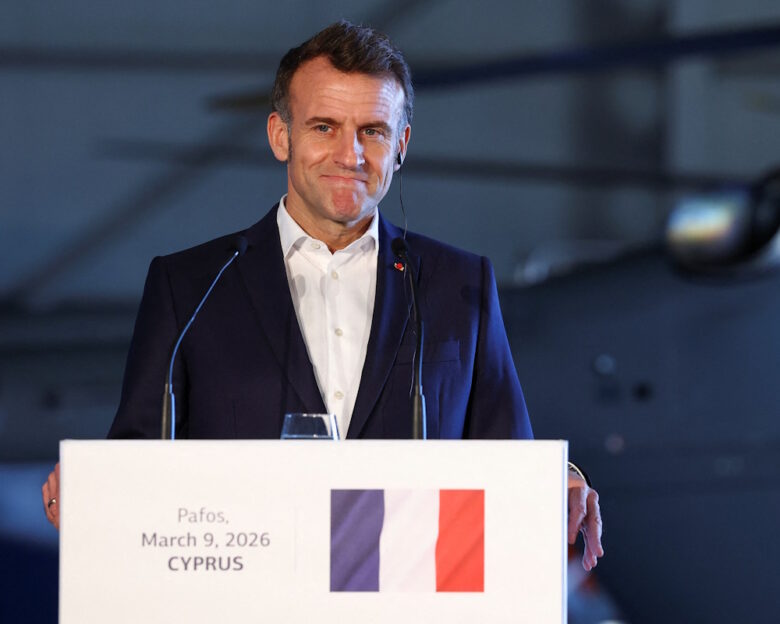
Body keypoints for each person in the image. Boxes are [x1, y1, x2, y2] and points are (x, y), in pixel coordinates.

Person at [42, 20, 603, 570]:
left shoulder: (460, 284)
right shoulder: (189, 287)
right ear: (280, 136)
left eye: (373, 131)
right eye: (324, 127)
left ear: (401, 144)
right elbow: (140, 450)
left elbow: (506, 451)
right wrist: (95, 481)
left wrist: (560, 481)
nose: (350, 154)